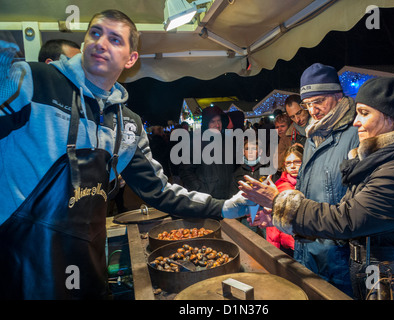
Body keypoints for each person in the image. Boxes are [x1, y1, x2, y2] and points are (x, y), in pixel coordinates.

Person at [0, 9, 252, 300]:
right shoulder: (31, 81)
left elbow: (161, 191)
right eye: (95, 33)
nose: (101, 43)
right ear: (83, 43)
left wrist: (224, 207)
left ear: (131, 59)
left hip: (89, 262)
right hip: (19, 262)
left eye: (115, 39)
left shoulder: (128, 124)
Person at [243, 77, 394, 299]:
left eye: (365, 113)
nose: (356, 121)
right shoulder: (377, 161)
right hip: (373, 273)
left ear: (393, 118)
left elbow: (345, 219)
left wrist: (279, 202)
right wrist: (280, 218)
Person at [241, 63, 360, 296]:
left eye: (319, 102)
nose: (313, 111)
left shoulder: (355, 135)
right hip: (307, 250)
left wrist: (278, 201)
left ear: (338, 95)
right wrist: (278, 217)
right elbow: (304, 195)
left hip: (338, 259)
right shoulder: (313, 137)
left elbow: (353, 212)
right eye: (308, 104)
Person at [179, 105, 234, 199]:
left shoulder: (227, 141)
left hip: (227, 197)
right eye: (213, 121)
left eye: (219, 121)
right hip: (208, 200)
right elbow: (186, 171)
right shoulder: (196, 143)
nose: (217, 125)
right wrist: (200, 191)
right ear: (206, 123)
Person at [265, 145, 302, 256]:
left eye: (297, 162)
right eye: (288, 163)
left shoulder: (310, 185)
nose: (293, 166)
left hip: (302, 241)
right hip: (285, 244)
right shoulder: (281, 186)